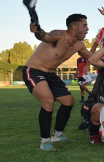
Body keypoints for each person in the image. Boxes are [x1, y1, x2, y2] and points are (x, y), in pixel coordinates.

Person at [23, 14, 91, 151]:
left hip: (50, 74)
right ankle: (44, 142)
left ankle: (57, 135)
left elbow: (94, 57)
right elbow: (44, 36)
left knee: (69, 101)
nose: (87, 29)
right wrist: (37, 30)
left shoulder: (79, 45)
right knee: (48, 101)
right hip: (34, 70)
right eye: (84, 25)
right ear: (74, 26)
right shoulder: (59, 34)